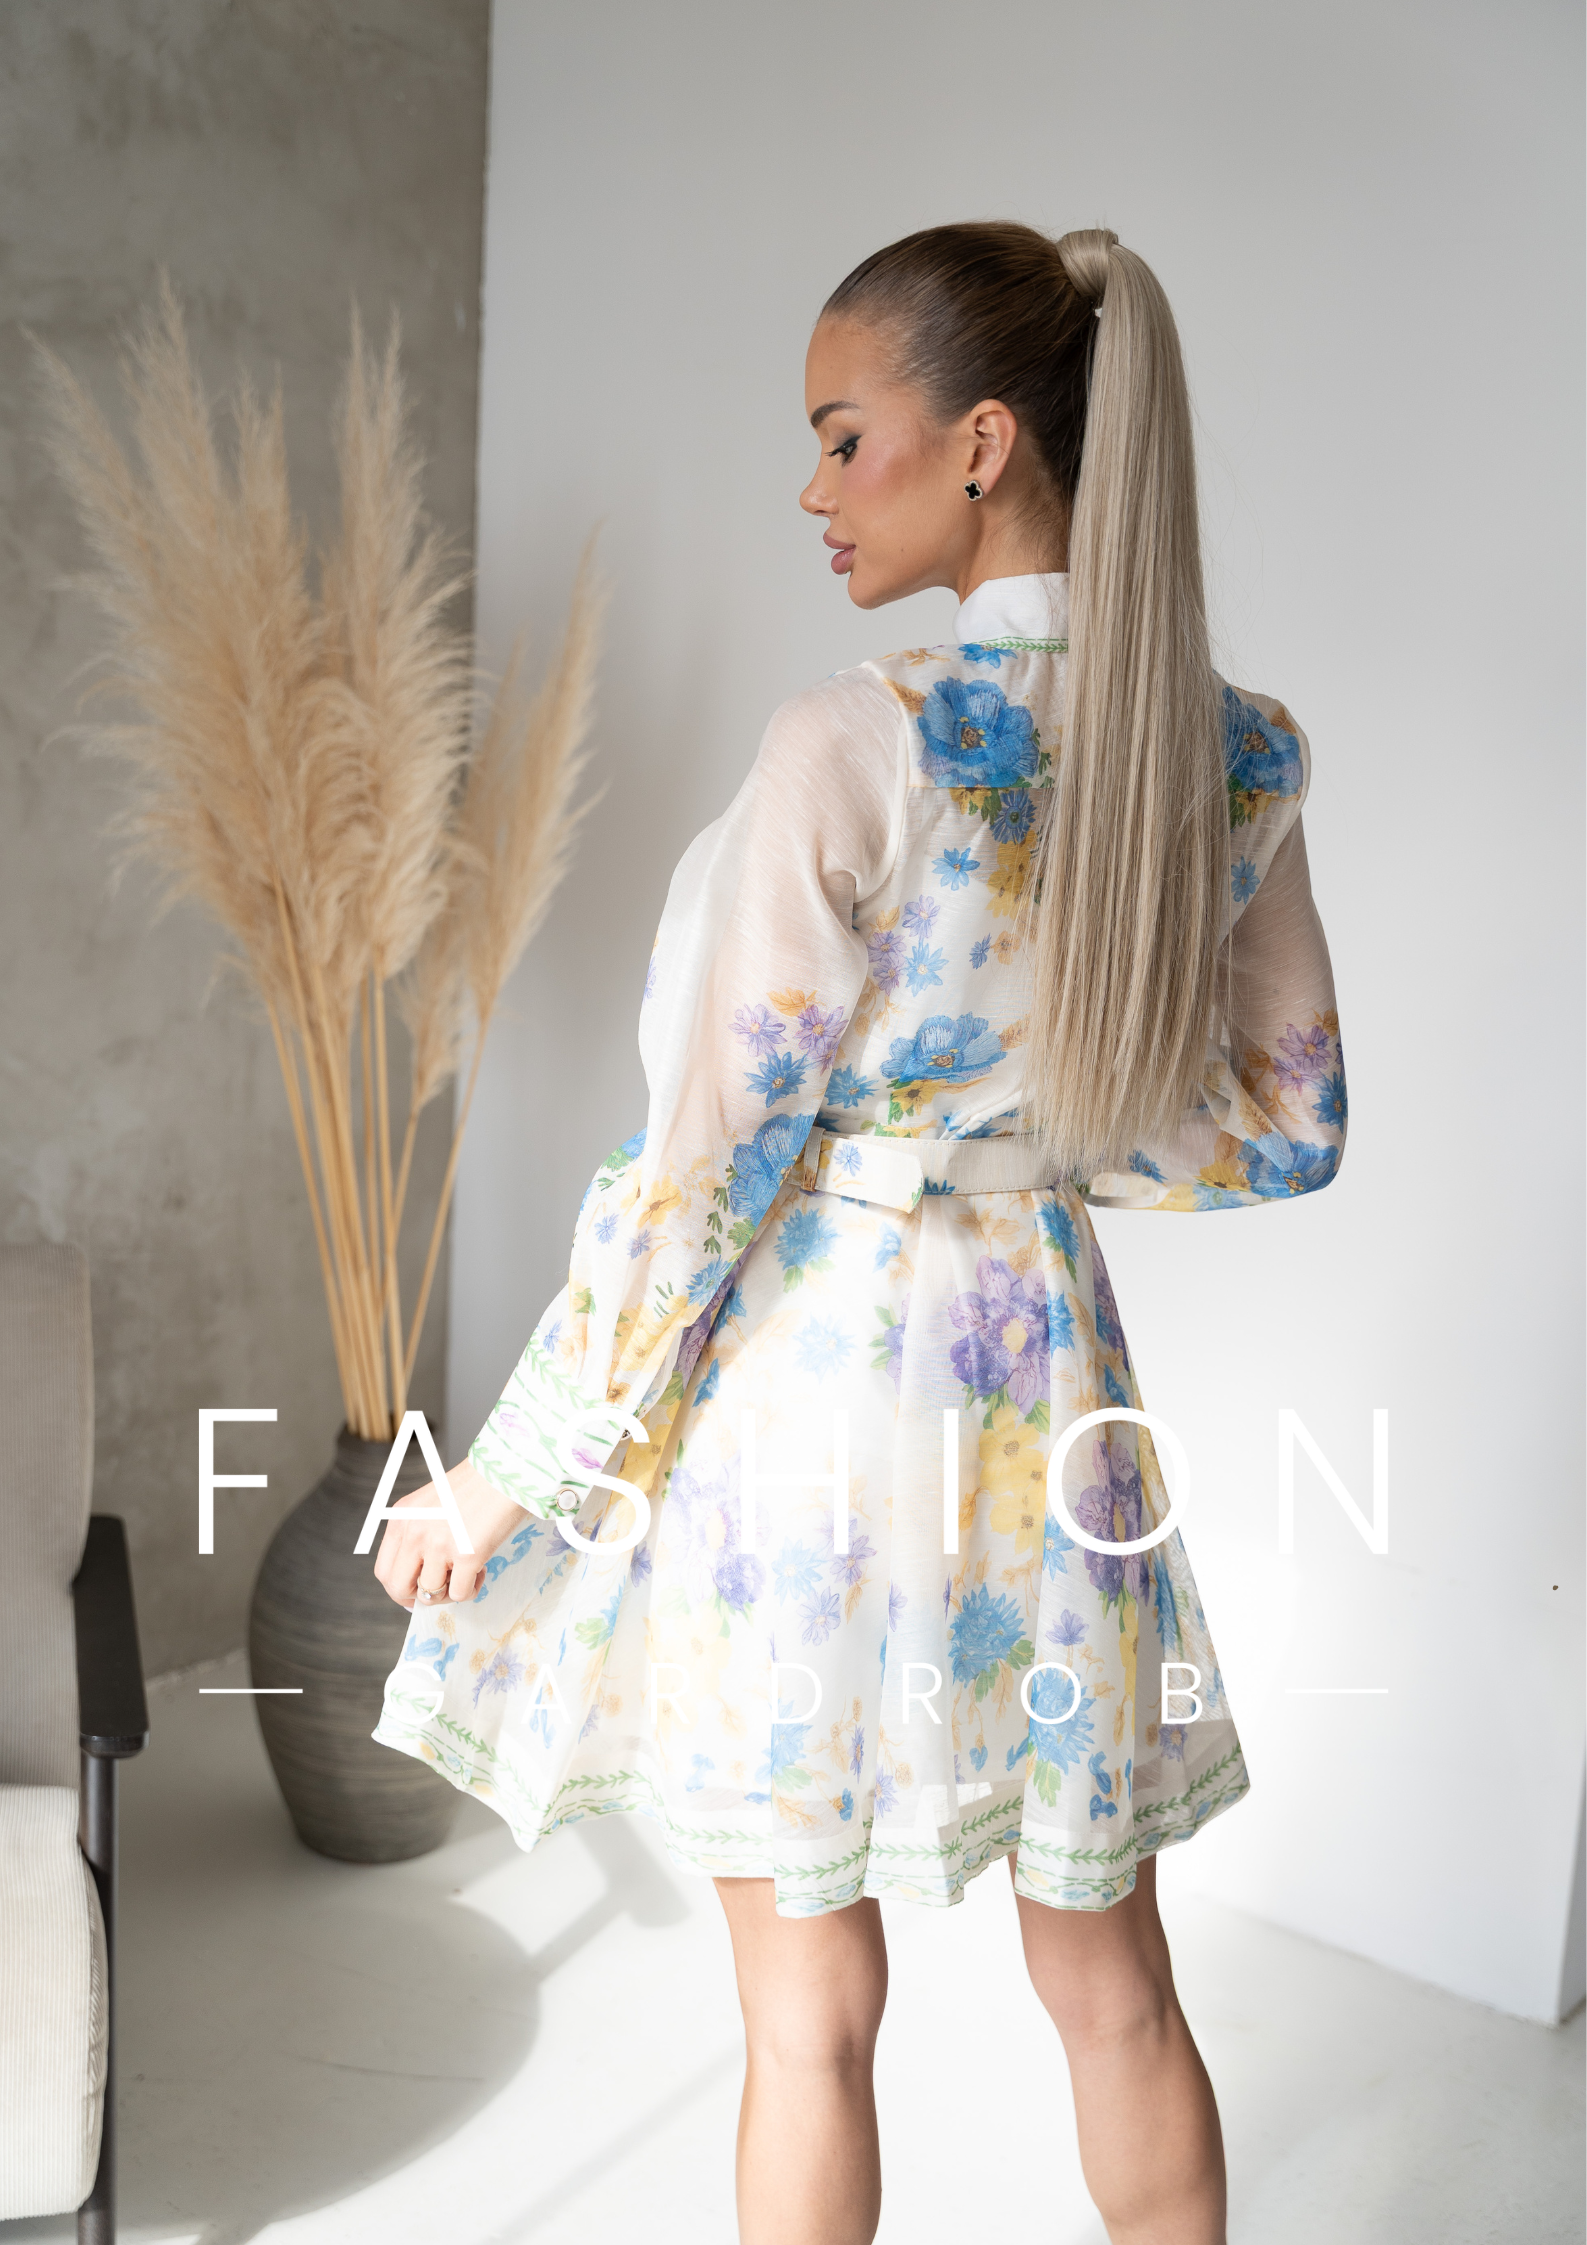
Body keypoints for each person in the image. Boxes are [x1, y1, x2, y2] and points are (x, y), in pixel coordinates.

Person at [371, 221, 1346, 2245]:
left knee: (806, 2020)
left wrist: (510, 1474)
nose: (810, 490)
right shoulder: (1234, 746)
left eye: (840, 437)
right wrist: (1027, 1154)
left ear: (979, 442)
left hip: (807, 1394)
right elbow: (1288, 1130)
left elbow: (709, 1166)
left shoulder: (855, 739)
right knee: (1116, 1986)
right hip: (1049, 1389)